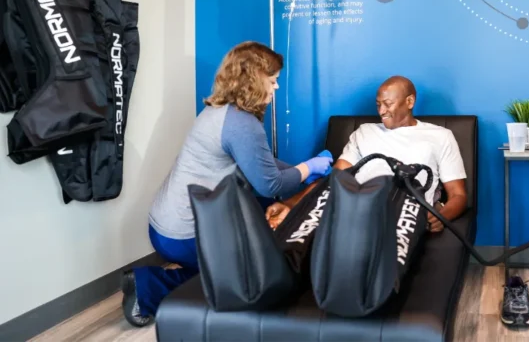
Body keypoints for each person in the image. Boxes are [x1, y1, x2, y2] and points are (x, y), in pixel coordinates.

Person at [120, 41, 333, 327]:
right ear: (255, 81)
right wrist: (310, 168)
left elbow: (262, 164)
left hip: (164, 222)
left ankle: (173, 275)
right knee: (248, 277)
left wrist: (302, 170)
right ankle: (148, 287)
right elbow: (270, 184)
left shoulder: (219, 111)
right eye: (273, 81)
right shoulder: (241, 124)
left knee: (260, 222)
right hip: (182, 234)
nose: (276, 88)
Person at [266, 75, 468, 232]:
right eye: (378, 104)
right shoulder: (364, 132)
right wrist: (290, 205)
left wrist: (442, 216)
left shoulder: (440, 136)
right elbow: (333, 180)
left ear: (410, 101)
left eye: (388, 104)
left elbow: (458, 195)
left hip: (403, 212)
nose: (381, 111)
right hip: (354, 208)